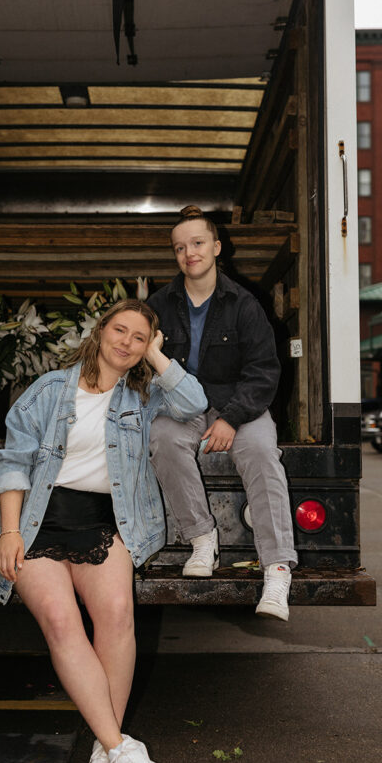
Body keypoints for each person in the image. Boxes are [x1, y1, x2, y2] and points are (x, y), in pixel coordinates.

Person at [0, 298, 206, 763]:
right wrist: (10, 532)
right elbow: (12, 462)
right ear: (100, 330)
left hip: (103, 521)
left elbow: (193, 403)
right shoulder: (48, 390)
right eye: (120, 330)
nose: (126, 343)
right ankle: (118, 747)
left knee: (118, 615)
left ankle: (104, 754)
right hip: (38, 520)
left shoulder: (142, 397)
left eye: (139, 337)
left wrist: (158, 358)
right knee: (62, 623)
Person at [147, 206, 298, 621]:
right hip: (182, 405)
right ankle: (201, 539)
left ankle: (277, 569)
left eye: (197, 243)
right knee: (161, 438)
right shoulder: (159, 303)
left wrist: (231, 418)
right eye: (180, 247)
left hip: (240, 404)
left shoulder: (244, 304)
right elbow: (139, 359)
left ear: (216, 247)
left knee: (263, 454)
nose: (188, 252)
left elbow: (264, 371)